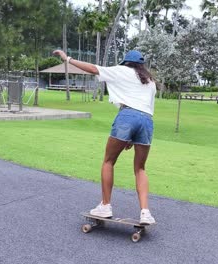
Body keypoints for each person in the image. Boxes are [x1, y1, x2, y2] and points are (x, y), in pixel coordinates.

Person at [53, 49, 156, 224]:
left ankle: (105, 206)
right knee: (140, 168)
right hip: (146, 121)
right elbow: (144, 107)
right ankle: (145, 212)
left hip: (127, 116)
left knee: (109, 161)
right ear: (141, 65)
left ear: (126, 62)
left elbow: (93, 69)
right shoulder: (150, 81)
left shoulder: (121, 70)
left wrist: (67, 59)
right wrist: (133, 136)